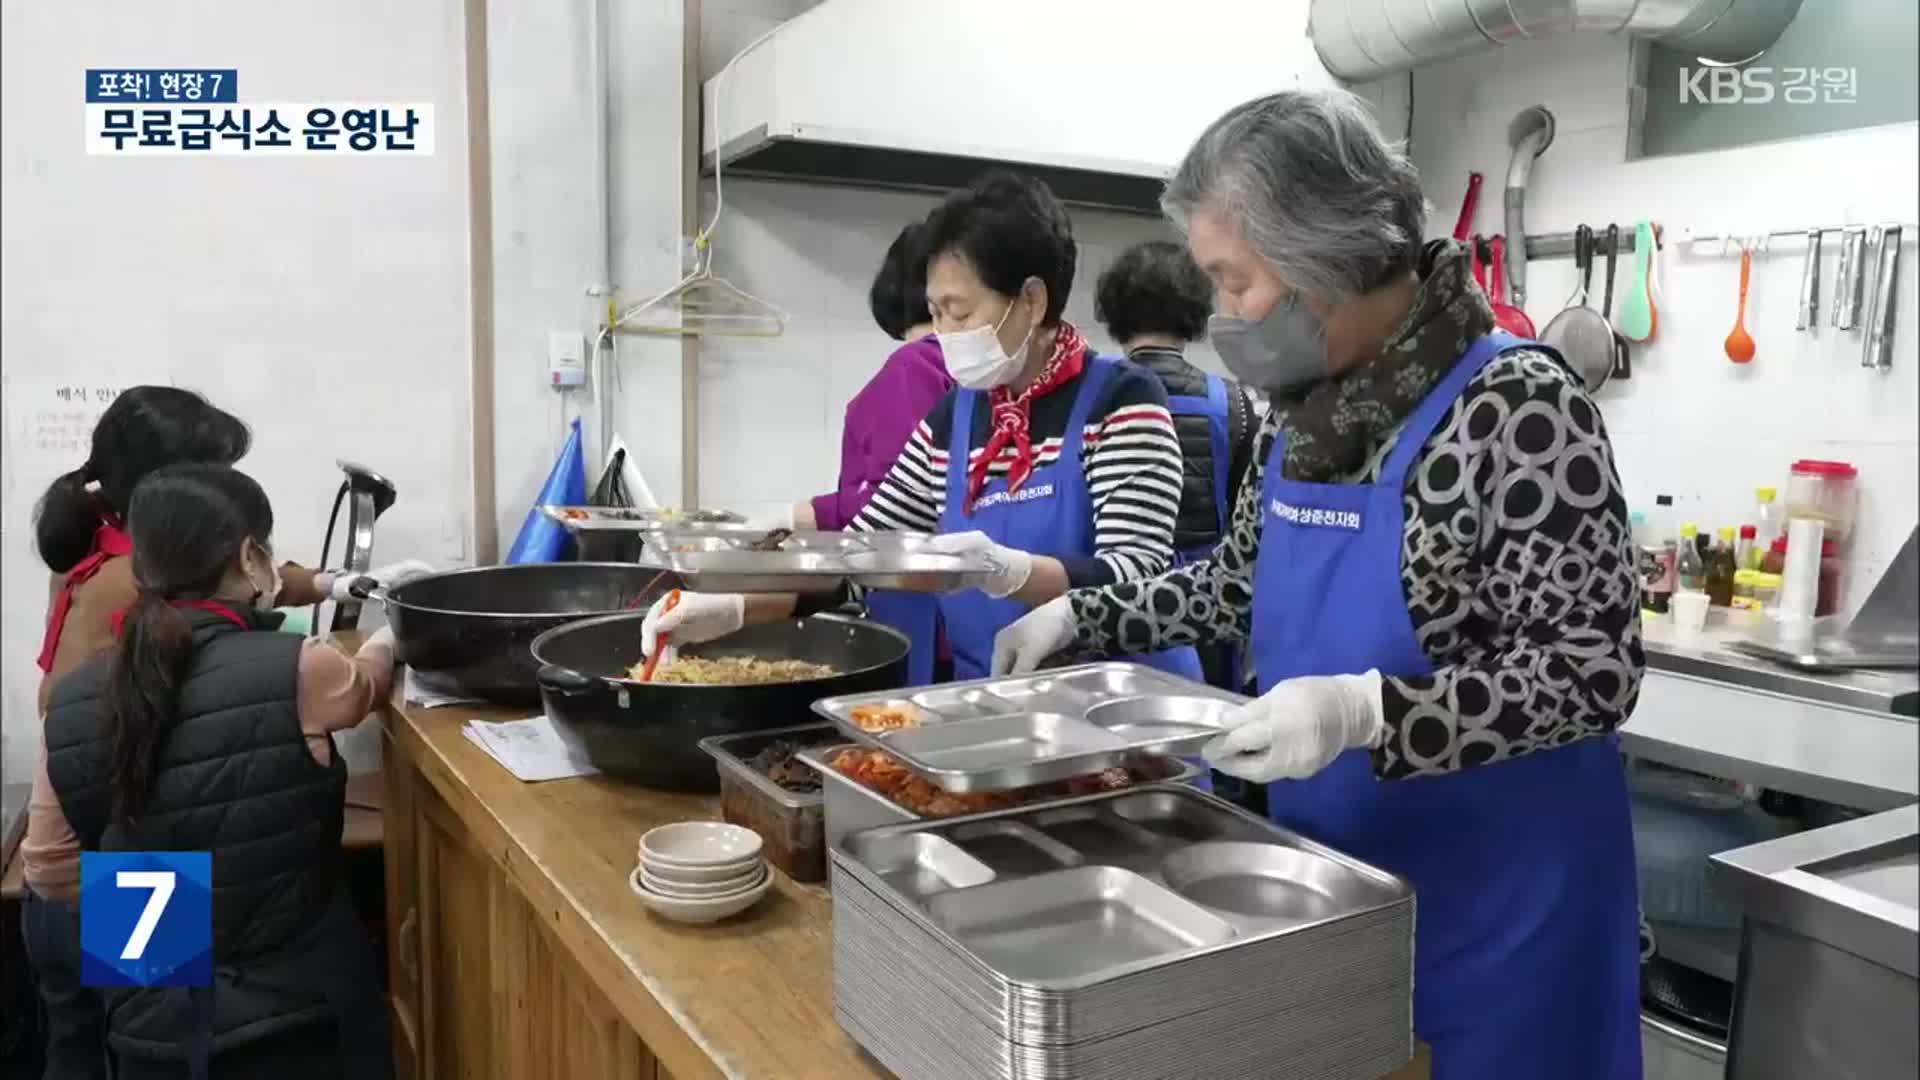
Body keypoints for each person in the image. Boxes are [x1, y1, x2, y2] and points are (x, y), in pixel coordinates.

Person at [991, 90, 1644, 1078]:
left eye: (1235, 280)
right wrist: (1086, 612)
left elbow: (1593, 672)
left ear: (1324, 256)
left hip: (1507, 922)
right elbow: (1235, 586)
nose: (1223, 316)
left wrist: (1366, 712)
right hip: (1332, 902)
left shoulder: (1518, 405)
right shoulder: (1307, 416)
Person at [646, 170, 1200, 682]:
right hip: (992, 706)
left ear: (1032, 301)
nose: (944, 333)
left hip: (1118, 716)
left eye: (960, 314)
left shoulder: (1121, 400)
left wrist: (1007, 572)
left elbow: (1135, 575)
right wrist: (737, 609)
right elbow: (861, 558)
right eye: (935, 313)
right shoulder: (951, 419)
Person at [20, 387, 427, 1079]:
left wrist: (335, 585)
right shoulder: (285, 665)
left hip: (120, 908)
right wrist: (390, 634)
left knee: (156, 1042)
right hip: (271, 986)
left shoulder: (109, 559)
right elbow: (352, 684)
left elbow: (52, 863)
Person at [780, 223, 954, 684]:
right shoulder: (970, 374)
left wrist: (810, 513)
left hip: (913, 598)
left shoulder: (912, 365)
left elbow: (902, 500)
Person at [1094, 239, 1258, 691]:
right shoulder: (1234, 401)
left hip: (1115, 597)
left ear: (1115, 312)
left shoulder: (1092, 399)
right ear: (1193, 309)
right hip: (1209, 604)